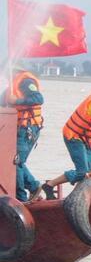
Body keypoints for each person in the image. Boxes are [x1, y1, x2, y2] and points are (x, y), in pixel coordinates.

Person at [4, 69, 45, 202]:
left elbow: (38, 98)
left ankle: (21, 197)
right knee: (16, 161)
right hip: (18, 129)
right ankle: (33, 186)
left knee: (16, 162)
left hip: (27, 128)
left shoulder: (26, 81)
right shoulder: (10, 86)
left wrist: (17, 100)